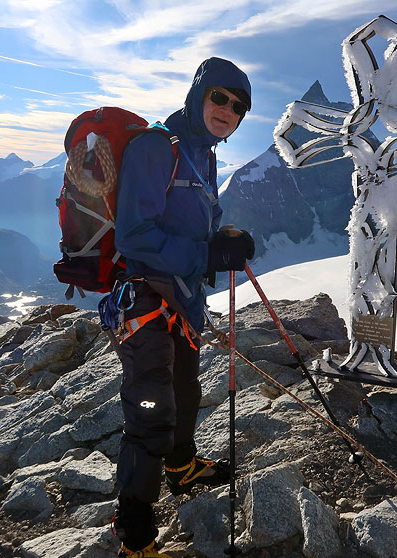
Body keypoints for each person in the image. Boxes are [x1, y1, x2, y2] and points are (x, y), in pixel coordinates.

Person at [112, 57, 255, 558]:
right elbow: (134, 235)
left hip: (183, 297)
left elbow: (188, 221)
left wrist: (222, 240)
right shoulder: (156, 147)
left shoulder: (204, 154)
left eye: (238, 107)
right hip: (145, 298)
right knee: (151, 411)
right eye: (220, 97)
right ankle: (135, 536)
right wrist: (206, 256)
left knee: (185, 390)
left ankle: (182, 467)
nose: (228, 110)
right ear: (198, 94)